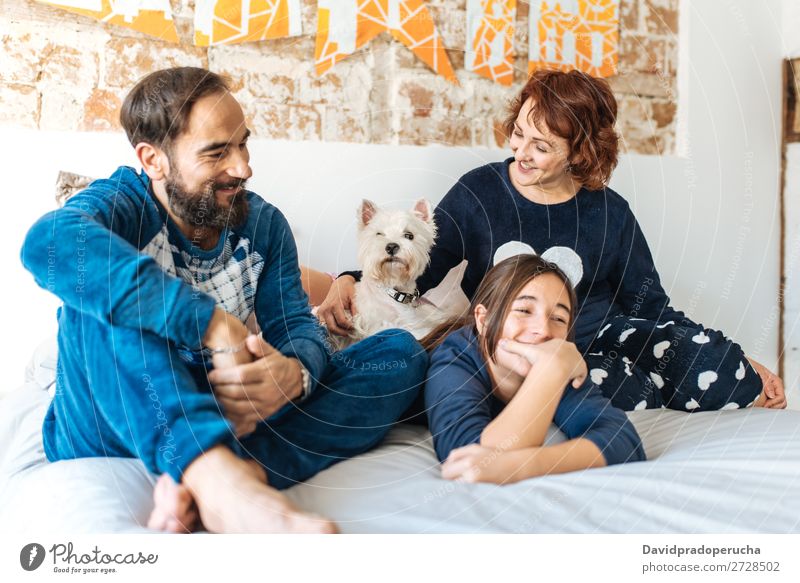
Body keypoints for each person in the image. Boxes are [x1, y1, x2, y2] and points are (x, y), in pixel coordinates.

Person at [20, 67, 426, 533]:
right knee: (95, 298)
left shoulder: (264, 225)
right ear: (154, 160)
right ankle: (221, 485)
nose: (243, 167)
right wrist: (211, 324)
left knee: (400, 353)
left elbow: (295, 324)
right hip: (111, 415)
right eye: (217, 152)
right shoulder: (122, 205)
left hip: (222, 405)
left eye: (243, 144)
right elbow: (46, 245)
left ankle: (234, 469)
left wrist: (293, 374)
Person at [319, 68, 786, 412]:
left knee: (717, 364)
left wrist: (740, 358)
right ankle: (649, 388)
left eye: (541, 147)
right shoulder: (478, 192)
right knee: (588, 386)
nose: (521, 153)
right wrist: (349, 279)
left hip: (608, 335)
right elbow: (417, 268)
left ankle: (683, 379)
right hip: (525, 346)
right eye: (519, 134)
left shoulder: (610, 211)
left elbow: (651, 308)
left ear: (579, 153)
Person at [423, 254, 646, 484]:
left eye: (559, 318)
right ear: (484, 320)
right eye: (524, 310)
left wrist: (526, 465)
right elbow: (468, 458)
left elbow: (624, 442)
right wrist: (549, 373)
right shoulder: (454, 359)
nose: (543, 330)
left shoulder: (557, 360)